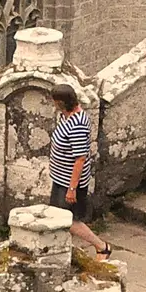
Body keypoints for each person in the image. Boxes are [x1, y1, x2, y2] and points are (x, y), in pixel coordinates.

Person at [47, 84, 111, 256]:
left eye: (55, 101)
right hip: (61, 178)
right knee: (58, 217)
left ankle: (102, 247)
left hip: (70, 182)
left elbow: (80, 159)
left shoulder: (78, 125)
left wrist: (72, 189)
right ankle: (60, 250)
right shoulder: (66, 117)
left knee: (70, 221)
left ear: (61, 102)